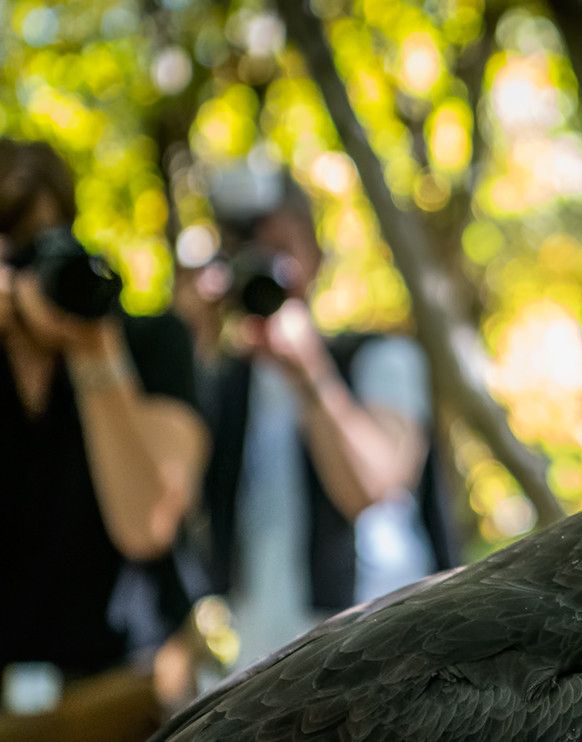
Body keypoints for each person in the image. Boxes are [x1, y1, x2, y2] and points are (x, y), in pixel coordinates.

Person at [196, 165, 457, 671]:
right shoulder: (224, 384)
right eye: (246, 246)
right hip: (263, 662)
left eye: (281, 245)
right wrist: (196, 343)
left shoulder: (381, 359)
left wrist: (311, 376)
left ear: (315, 254)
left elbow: (371, 490)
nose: (265, 264)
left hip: (387, 653)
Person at [0, 139, 209, 740]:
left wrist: (94, 346)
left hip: (130, 700)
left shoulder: (152, 346)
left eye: (36, 246)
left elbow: (148, 524)